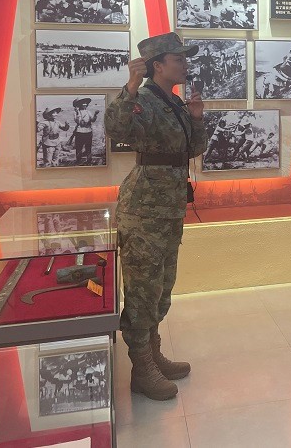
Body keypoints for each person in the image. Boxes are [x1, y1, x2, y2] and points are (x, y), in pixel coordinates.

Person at [104, 32, 207, 401]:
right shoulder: (143, 99)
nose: (185, 64)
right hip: (144, 209)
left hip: (169, 206)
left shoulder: (174, 102)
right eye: (178, 59)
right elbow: (115, 129)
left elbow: (192, 149)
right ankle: (142, 366)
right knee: (142, 289)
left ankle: (153, 352)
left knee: (161, 286)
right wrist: (130, 87)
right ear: (158, 66)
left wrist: (196, 118)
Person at [71, 98, 100, 166]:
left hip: (88, 132)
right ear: (79, 105)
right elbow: (78, 121)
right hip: (79, 132)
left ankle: (89, 160)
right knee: (79, 147)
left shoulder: (88, 112)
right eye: (83, 103)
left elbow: (92, 120)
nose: (85, 104)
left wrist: (95, 114)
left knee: (88, 147)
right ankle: (78, 160)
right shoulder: (75, 113)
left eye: (86, 103)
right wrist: (78, 112)